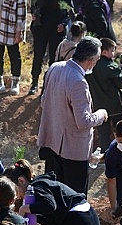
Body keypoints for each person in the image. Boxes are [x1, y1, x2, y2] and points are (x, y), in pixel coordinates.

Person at [37, 37, 108, 195]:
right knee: (74, 198)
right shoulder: (78, 81)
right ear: (90, 61)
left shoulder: (55, 67)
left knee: (55, 194)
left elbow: (44, 101)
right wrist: (101, 115)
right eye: (96, 60)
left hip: (53, 142)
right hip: (73, 150)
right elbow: (83, 121)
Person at [29, 0, 73, 95]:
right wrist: (34, 13)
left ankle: (49, 83)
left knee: (54, 58)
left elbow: (69, 10)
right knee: (38, 55)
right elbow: (33, 4)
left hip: (56, 29)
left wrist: (64, 23)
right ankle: (34, 82)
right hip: (41, 27)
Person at [86, 38, 122, 151]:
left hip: (98, 105)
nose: (114, 54)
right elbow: (121, 82)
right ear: (104, 52)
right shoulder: (111, 67)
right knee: (121, 130)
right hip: (115, 105)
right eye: (112, 51)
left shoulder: (90, 65)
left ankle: (106, 154)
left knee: (103, 133)